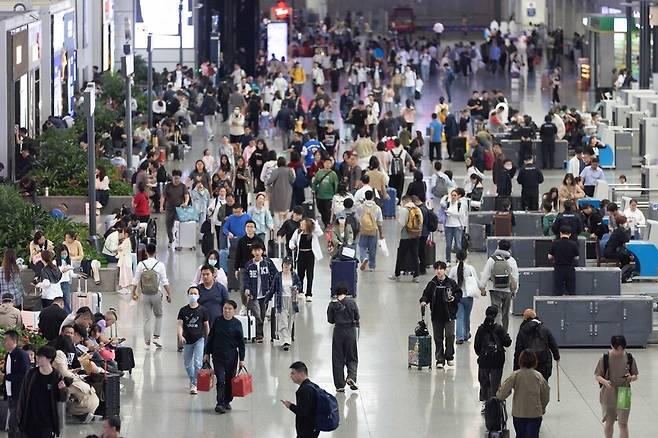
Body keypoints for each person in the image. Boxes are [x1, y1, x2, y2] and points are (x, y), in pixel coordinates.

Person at [203, 300, 246, 414]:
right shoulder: (217, 321)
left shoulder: (237, 324)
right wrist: (206, 353)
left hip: (232, 356)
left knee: (229, 380)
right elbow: (210, 338)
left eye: (229, 309)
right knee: (221, 380)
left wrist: (242, 359)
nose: (227, 311)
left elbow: (241, 343)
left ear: (234, 311)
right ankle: (220, 403)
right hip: (217, 356)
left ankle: (227, 400)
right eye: (225, 308)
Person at [496, 350, 550, 438]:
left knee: (520, 435)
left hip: (519, 413)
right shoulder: (538, 376)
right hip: (535, 413)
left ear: (520, 361)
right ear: (535, 361)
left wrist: (499, 397)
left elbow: (502, 393)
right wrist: (542, 408)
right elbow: (545, 394)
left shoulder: (515, 375)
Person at [17, 346, 68, 438]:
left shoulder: (56, 376)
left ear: (49, 359)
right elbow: (23, 394)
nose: (37, 358)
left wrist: (63, 390)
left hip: (47, 420)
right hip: (30, 418)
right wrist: (20, 414)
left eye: (40, 357)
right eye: (37, 356)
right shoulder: (31, 373)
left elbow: (62, 398)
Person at [594, 335, 639, 438]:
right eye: (617, 349)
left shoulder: (629, 357)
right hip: (608, 394)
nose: (619, 352)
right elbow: (597, 375)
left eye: (622, 349)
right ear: (612, 346)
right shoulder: (605, 358)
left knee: (623, 423)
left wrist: (631, 378)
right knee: (609, 422)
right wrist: (605, 382)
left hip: (624, 392)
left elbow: (635, 375)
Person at [420, 261, 462, 368]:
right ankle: (439, 359)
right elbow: (426, 294)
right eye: (437, 269)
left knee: (450, 335)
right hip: (436, 315)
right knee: (438, 338)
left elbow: (459, 293)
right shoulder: (432, 284)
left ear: (445, 270)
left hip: (449, 315)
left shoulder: (451, 283)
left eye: (441, 269)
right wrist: (424, 301)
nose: (439, 271)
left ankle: (449, 356)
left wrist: (454, 298)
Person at [131, 243, 172, 349]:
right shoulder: (160, 265)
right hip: (156, 294)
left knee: (146, 318)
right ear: (156, 252)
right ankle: (156, 337)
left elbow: (135, 280)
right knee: (159, 316)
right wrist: (169, 294)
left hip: (144, 294)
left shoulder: (141, 265)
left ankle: (147, 342)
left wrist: (133, 292)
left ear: (146, 252)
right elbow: (164, 281)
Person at [474, 306, 512, 413]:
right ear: (496, 316)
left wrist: (481, 355)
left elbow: (476, 346)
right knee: (495, 383)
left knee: (484, 382)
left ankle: (485, 403)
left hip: (484, 361)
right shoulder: (499, 329)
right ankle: (495, 404)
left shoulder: (481, 329)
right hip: (497, 361)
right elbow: (508, 343)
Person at [479, 239, 519, 331]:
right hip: (507, 290)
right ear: (509, 249)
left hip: (495, 289)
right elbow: (515, 277)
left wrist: (482, 288)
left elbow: (485, 274)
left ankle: (497, 331)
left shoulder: (492, 259)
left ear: (498, 247)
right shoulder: (511, 260)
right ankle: (504, 333)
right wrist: (514, 290)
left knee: (496, 312)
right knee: (505, 313)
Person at [242, 241, 278, 342]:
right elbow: (246, 278)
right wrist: (246, 288)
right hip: (253, 294)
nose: (257, 252)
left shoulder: (268, 262)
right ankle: (258, 334)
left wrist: (272, 286)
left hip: (265, 294)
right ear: (252, 252)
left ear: (262, 251)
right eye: (255, 250)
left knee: (262, 313)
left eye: (259, 250)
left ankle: (259, 334)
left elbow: (275, 274)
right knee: (257, 314)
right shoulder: (249, 265)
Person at [327, 283, 360, 392]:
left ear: (336, 293)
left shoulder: (332, 305)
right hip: (350, 331)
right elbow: (357, 317)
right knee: (352, 357)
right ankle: (351, 377)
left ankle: (340, 385)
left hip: (338, 332)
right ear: (346, 292)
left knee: (337, 358)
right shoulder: (351, 303)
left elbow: (330, 320)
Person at [177, 287, 210, 394]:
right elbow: (180, 324)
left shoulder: (203, 310)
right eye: (191, 293)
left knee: (197, 363)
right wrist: (180, 335)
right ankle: (192, 379)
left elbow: (206, 325)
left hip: (199, 339)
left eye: (195, 293)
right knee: (187, 363)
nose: (193, 295)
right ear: (188, 295)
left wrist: (207, 338)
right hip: (187, 340)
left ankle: (195, 384)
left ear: (199, 295)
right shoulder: (183, 310)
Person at [514, 309, 561, 382]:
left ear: (525, 318)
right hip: (544, 362)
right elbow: (553, 344)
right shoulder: (545, 329)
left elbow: (518, 350)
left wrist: (516, 368)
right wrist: (556, 357)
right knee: (543, 383)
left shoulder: (522, 331)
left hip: (528, 363)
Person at [266, 257, 301, 351]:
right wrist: (267, 298)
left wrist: (296, 288)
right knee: (283, 321)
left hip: (292, 300)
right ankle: (285, 342)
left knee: (290, 322)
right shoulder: (278, 276)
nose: (286, 266)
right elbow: (272, 288)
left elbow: (299, 285)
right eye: (285, 264)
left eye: (288, 264)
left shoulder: (294, 275)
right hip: (281, 300)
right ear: (282, 265)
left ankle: (287, 339)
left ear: (291, 265)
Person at [2, 329, 30, 438]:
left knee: (15, 421)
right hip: (10, 392)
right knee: (14, 421)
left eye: (6, 340)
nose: (4, 342)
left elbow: (25, 374)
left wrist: (6, 377)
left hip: (19, 392)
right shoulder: (8, 355)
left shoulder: (21, 355)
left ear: (14, 341)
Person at [448, 251, 481, 344]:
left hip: (457, 297)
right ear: (466, 257)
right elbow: (477, 281)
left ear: (456, 258)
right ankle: (466, 334)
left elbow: (448, 282)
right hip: (469, 297)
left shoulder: (454, 269)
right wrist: (482, 289)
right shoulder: (471, 268)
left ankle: (459, 337)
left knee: (459, 317)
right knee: (467, 316)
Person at [281, 361, 319, 438]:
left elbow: (303, 412)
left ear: (301, 374)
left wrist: (290, 406)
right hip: (314, 427)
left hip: (306, 430)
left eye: (293, 373)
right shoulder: (314, 386)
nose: (291, 376)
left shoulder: (303, 390)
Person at [389, 196, 423, 282]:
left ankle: (397, 274)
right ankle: (416, 276)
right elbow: (421, 221)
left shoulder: (404, 210)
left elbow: (401, 223)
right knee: (415, 255)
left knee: (401, 255)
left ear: (404, 201)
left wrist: (398, 235)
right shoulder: (418, 209)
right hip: (416, 235)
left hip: (405, 236)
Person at [289, 219, 324, 302]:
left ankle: (309, 294)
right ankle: (300, 291)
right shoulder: (298, 232)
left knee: (310, 275)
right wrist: (292, 245)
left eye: (303, 224)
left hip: (310, 255)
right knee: (300, 274)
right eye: (301, 224)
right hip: (300, 255)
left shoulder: (313, 233)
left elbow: (320, 232)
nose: (301, 226)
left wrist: (314, 223)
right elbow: (292, 240)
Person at [161, 169, 190, 247]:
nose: (176, 180)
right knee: (168, 225)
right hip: (169, 208)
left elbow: (186, 196)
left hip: (179, 208)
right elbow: (163, 196)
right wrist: (161, 206)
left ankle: (178, 240)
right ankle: (171, 239)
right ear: (172, 178)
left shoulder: (183, 186)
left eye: (178, 178)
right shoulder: (168, 186)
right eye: (175, 178)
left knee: (178, 225)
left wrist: (185, 203)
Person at [357, 190, 384, 271]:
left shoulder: (361, 207)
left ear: (365, 197)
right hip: (373, 230)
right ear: (373, 197)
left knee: (362, 246)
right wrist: (381, 233)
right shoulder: (377, 208)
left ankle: (363, 258)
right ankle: (372, 266)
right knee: (372, 248)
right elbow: (379, 222)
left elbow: (358, 218)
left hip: (363, 230)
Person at [548, 226, 580, 295]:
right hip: (570, 268)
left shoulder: (555, 243)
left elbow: (549, 256)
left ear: (560, 233)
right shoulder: (573, 244)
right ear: (570, 234)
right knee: (571, 290)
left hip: (558, 268)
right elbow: (577, 257)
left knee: (558, 290)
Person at [441, 189, 468, 264]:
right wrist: (445, 196)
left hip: (457, 226)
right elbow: (441, 203)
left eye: (455, 195)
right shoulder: (448, 204)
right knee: (448, 245)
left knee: (458, 245)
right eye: (452, 195)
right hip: (448, 226)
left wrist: (450, 212)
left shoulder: (460, 204)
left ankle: (458, 259)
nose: (453, 197)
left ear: (458, 196)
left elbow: (460, 215)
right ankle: (448, 260)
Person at [312, 157, 339, 228]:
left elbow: (336, 185)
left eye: (329, 163)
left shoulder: (333, 174)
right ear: (323, 164)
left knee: (328, 211)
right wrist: (313, 189)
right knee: (321, 210)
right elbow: (315, 182)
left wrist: (336, 194)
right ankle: (325, 222)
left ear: (331, 164)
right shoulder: (319, 172)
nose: (327, 165)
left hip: (329, 196)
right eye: (326, 163)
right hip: (319, 196)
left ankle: (328, 224)